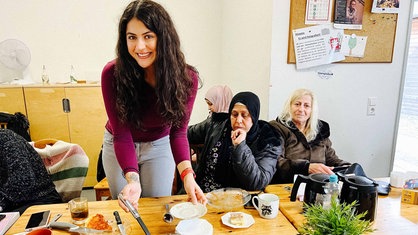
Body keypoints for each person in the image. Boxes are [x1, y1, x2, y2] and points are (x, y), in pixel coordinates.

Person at [101, 0, 206, 211]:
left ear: (163, 37)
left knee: (157, 210)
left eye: (148, 36)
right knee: (128, 210)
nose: (140, 46)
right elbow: (121, 134)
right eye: (132, 37)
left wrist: (187, 175)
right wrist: (132, 179)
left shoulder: (187, 78)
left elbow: (178, 132)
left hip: (159, 145)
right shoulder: (112, 74)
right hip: (118, 145)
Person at [188, 91, 283, 192]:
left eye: (244, 115)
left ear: (254, 117)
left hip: (239, 199)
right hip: (202, 192)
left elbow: (257, 182)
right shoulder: (218, 124)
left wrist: (240, 146)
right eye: (234, 114)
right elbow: (183, 134)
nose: (238, 120)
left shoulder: (268, 140)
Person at [270, 88, 350, 183]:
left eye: (306, 106)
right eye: (297, 104)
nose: (301, 109)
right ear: (289, 106)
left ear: (312, 110)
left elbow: (331, 158)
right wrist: (306, 167)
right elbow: (276, 161)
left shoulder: (320, 131)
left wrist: (348, 168)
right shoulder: (277, 128)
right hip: (287, 184)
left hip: (318, 184)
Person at [0, 129, 62, 214]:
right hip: (14, 204)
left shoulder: (6, 138)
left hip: (38, 200)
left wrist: (2, 203)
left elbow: (24, 181)